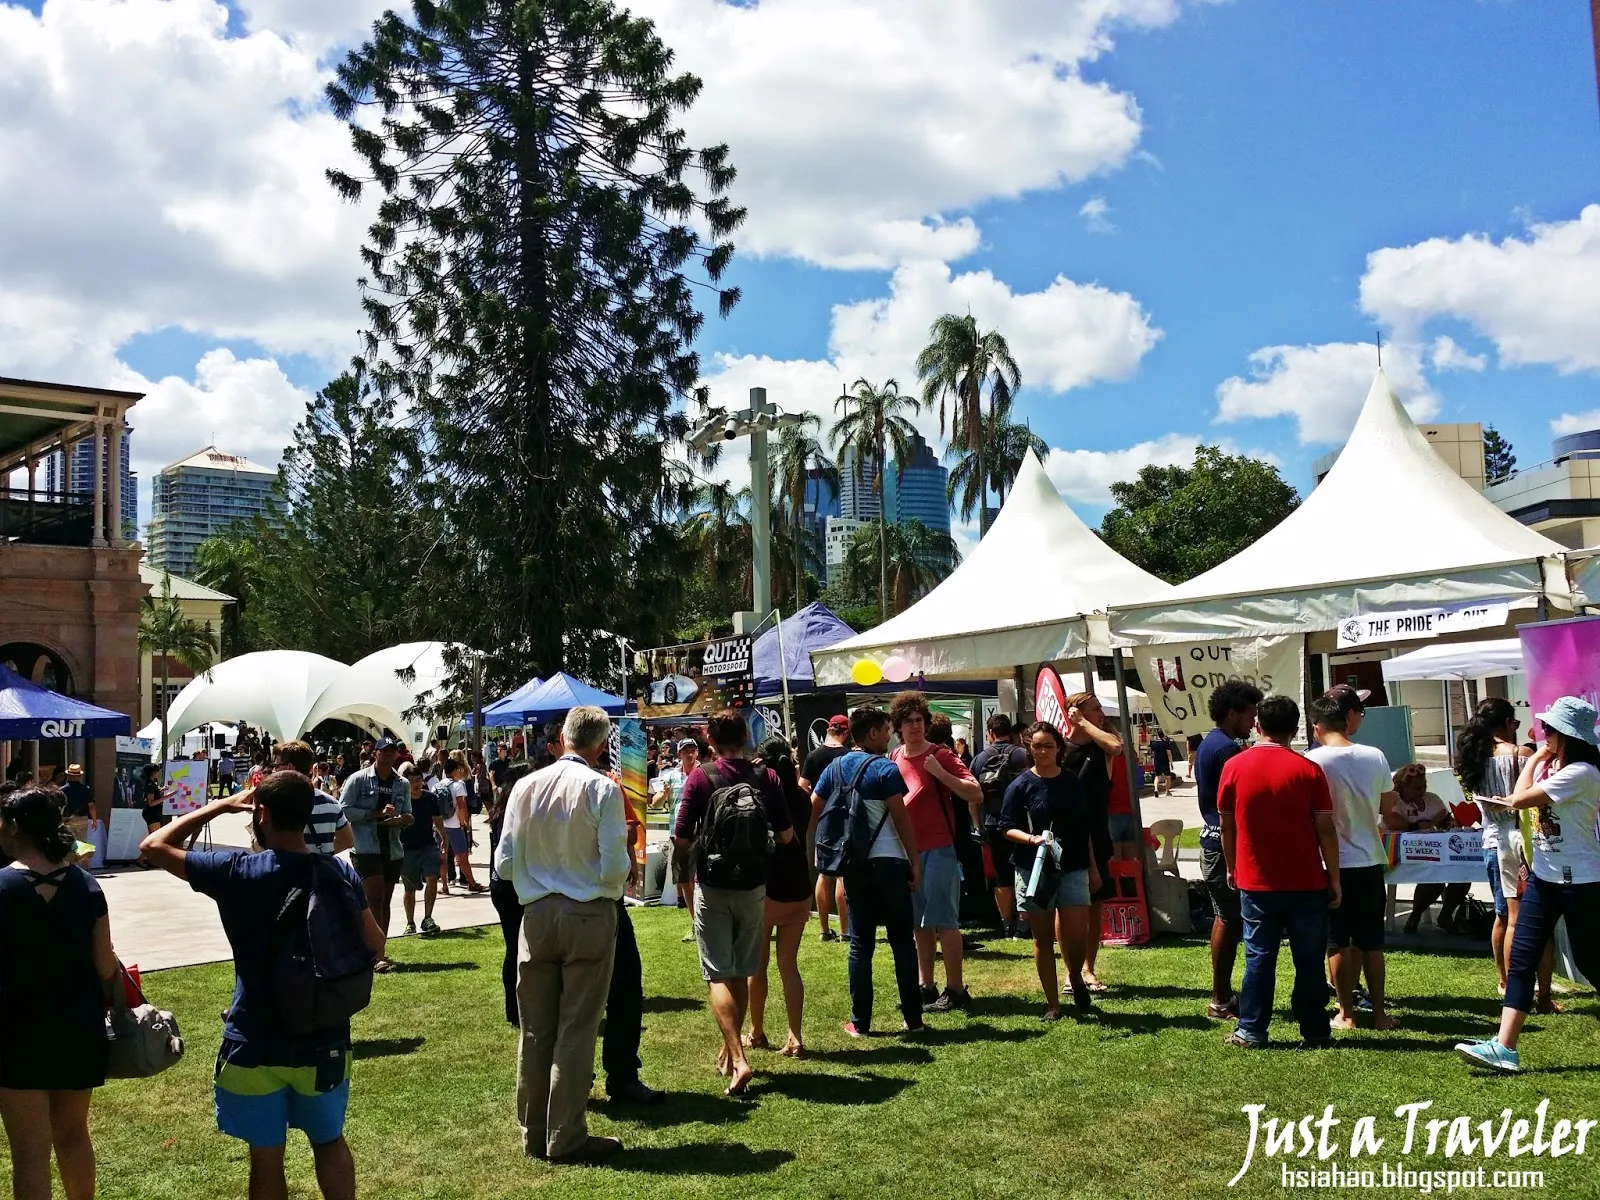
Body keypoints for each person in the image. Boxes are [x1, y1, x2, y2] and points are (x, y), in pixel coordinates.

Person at [141, 771, 383, 1200]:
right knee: (329, 1142)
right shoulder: (338, 872)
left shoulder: (237, 871)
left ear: (260, 813)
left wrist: (220, 805)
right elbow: (375, 943)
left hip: (254, 1037)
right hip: (322, 1035)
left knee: (266, 1156)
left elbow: (154, 846)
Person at [494, 706, 629, 1160]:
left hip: (537, 914)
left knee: (535, 1028)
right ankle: (565, 1133)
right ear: (600, 743)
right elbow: (615, 866)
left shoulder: (525, 786)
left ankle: (533, 1132)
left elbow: (504, 863)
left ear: (564, 736)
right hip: (587, 911)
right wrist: (601, 890)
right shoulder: (601, 789)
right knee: (576, 1027)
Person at [1456, 696, 1600, 1072]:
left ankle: (1504, 1047)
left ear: (1568, 735)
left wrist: (1536, 759)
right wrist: (1536, 759)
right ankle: (1505, 1048)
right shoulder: (1555, 768)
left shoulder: (1582, 772)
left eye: (1550, 730)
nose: (1543, 733)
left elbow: (1517, 800)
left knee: (1590, 960)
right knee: (1521, 958)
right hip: (1544, 878)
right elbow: (1517, 795)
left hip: (1580, 881)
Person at [0, 786, 118, 1200]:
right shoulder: (87, 886)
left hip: (15, 1033)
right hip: (77, 1027)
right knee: (73, 1136)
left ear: (14, 826)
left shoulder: (1, 886)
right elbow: (106, 965)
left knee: (30, 1152)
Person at [673, 709, 797, 1095]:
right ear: (746, 737)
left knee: (715, 972)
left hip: (714, 884)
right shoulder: (766, 776)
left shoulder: (701, 776)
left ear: (710, 740)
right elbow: (787, 836)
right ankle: (733, 1050)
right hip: (755, 887)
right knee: (742, 969)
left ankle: (739, 1058)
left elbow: (680, 837)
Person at [1218, 695, 1341, 1049]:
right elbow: (1325, 829)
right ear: (1296, 728)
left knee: (1259, 956)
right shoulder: (1308, 770)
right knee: (1308, 959)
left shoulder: (1235, 767)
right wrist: (1333, 877)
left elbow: (1228, 826)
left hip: (1257, 880)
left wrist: (1231, 865)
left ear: (1259, 725)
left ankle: (1252, 1028)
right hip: (1305, 880)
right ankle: (1315, 1028)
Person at [812, 707, 924, 1038]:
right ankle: (914, 1019)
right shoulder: (885, 769)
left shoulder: (835, 767)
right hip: (890, 862)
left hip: (855, 866)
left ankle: (860, 1022)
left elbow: (815, 805)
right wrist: (914, 861)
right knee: (903, 942)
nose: (891, 734)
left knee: (861, 945)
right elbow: (901, 818)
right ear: (872, 733)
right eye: (887, 729)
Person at [1304, 692, 1400, 1032]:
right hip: (1370, 859)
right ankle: (1378, 1013)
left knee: (1337, 940)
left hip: (1331, 863)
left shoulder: (1312, 761)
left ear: (1317, 727)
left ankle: (1346, 1012)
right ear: (1346, 719)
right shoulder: (1375, 755)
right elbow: (1388, 810)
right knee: (1371, 942)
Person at [1458, 698, 1556, 1006]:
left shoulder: (1473, 758)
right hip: (1522, 840)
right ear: (1506, 723)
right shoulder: (1521, 754)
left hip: (1491, 840)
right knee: (1532, 919)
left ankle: (1506, 982)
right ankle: (1537, 992)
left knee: (1503, 917)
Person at [889, 690, 981, 1013]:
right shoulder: (894, 757)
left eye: (919, 720)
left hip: (940, 850)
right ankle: (925, 986)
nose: (914, 726)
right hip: (907, 853)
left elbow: (975, 792)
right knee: (919, 924)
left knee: (945, 922)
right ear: (898, 726)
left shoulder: (941, 755)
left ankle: (956, 989)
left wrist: (940, 773)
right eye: (908, 721)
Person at [1000, 722, 1099, 1019]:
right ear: (1029, 748)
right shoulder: (1021, 785)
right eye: (1037, 746)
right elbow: (1005, 827)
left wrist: (1093, 868)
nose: (1043, 752)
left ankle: (1077, 975)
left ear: (1059, 749)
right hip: (1035, 869)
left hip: (1073, 866)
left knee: (1076, 933)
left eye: (1049, 746)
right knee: (1042, 938)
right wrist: (1032, 839)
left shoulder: (1071, 781)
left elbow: (1085, 828)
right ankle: (1052, 1004)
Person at [1194, 681, 1262, 1020]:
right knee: (1229, 919)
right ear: (1233, 712)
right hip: (1224, 847)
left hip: (1215, 843)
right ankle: (1220, 998)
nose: (1253, 721)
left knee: (1230, 919)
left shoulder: (1213, 743)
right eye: (1250, 714)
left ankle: (1222, 996)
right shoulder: (1226, 750)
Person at [747, 736, 813, 1058]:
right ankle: (795, 1036)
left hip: (768, 888)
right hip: (800, 887)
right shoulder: (803, 797)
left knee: (757, 966)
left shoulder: (761, 796)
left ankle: (757, 1032)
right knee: (789, 964)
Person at [1060, 691, 1125, 992]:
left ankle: (1088, 968)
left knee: (1095, 903)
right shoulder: (1061, 748)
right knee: (1067, 904)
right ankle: (1068, 969)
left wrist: (1086, 724)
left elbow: (1116, 745)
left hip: (1097, 833)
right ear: (1075, 712)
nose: (1101, 714)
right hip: (1067, 833)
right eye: (1095, 709)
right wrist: (1080, 724)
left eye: (1099, 709)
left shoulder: (1103, 745)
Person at [339, 736, 413, 973]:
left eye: (392, 752)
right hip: (365, 847)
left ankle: (379, 949)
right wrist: (375, 814)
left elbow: (409, 813)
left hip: (392, 848)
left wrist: (403, 819)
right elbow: (343, 810)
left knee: (385, 900)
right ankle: (373, 954)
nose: (389, 755)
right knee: (374, 899)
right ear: (376, 754)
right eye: (384, 751)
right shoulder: (358, 780)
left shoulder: (402, 784)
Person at [1391, 763, 1472, 935]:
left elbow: (1445, 820)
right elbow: (1398, 824)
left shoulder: (1432, 799)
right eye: (1416, 788)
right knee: (1434, 877)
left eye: (1424, 786)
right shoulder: (1395, 802)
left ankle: (1446, 914)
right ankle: (1415, 915)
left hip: (1435, 852)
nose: (1421, 791)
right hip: (1401, 855)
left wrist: (1449, 823)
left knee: (1464, 874)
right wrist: (1428, 823)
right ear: (1404, 788)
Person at [971, 713, 1028, 939]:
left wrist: (978, 826)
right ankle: (1024, 925)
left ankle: (1006, 924)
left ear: (990, 733)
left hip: (993, 823)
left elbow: (973, 798)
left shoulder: (979, 759)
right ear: (1010, 733)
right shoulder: (1023, 755)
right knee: (1023, 870)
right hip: (1022, 823)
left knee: (1001, 875)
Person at [800, 715, 852, 943]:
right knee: (843, 875)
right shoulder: (848, 756)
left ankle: (823, 929)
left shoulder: (813, 756)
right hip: (844, 817)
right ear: (846, 732)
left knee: (824, 873)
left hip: (820, 818)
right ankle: (845, 931)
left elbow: (802, 787)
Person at [277, 741, 354, 858]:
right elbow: (348, 841)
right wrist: (321, 856)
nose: (275, 770)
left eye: (277, 765)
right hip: (320, 873)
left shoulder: (276, 803)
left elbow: (261, 846)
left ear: (289, 767)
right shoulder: (332, 803)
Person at [651, 738, 700, 919]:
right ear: (679, 754)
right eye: (686, 751)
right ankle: (695, 921)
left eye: (692, 750)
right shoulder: (670, 776)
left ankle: (703, 920)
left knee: (699, 880)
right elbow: (655, 804)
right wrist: (664, 794)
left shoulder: (702, 773)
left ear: (697, 752)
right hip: (676, 834)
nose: (689, 754)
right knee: (684, 880)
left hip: (699, 833)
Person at [398, 763, 445, 938]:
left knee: (432, 878)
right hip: (407, 849)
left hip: (428, 845)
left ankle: (428, 918)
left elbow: (438, 821)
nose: (416, 784)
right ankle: (410, 923)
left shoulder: (430, 798)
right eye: (411, 781)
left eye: (418, 780)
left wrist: (445, 841)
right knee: (409, 888)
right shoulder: (401, 800)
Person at [443, 758, 486, 893]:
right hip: (455, 825)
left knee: (443, 855)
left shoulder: (439, 785)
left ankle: (444, 885)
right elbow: (461, 805)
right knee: (462, 856)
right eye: (459, 769)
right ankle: (472, 883)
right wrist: (463, 823)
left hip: (442, 825)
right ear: (454, 770)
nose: (460, 771)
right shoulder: (458, 785)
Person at [137, 763, 173, 870]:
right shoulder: (150, 785)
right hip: (152, 814)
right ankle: (141, 859)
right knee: (154, 839)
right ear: (153, 773)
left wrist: (161, 790)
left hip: (153, 813)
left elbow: (153, 795)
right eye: (157, 771)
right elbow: (151, 802)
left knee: (153, 837)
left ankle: (149, 859)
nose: (159, 773)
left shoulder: (151, 784)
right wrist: (167, 797)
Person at [58, 764, 96, 859]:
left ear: (68, 775)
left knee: (67, 843)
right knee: (82, 845)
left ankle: (69, 865)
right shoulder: (85, 790)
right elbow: (91, 806)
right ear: (79, 776)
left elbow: (58, 807)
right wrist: (94, 820)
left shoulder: (61, 790)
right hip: (81, 819)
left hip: (66, 820)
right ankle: (84, 868)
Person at [1149, 730, 1178, 796]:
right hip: (1165, 762)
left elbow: (1153, 754)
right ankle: (1167, 792)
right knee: (1168, 777)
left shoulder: (1154, 744)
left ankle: (1156, 789)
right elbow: (1169, 754)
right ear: (1163, 735)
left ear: (1157, 735)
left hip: (1157, 762)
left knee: (1157, 777)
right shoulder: (1166, 744)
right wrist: (1171, 763)